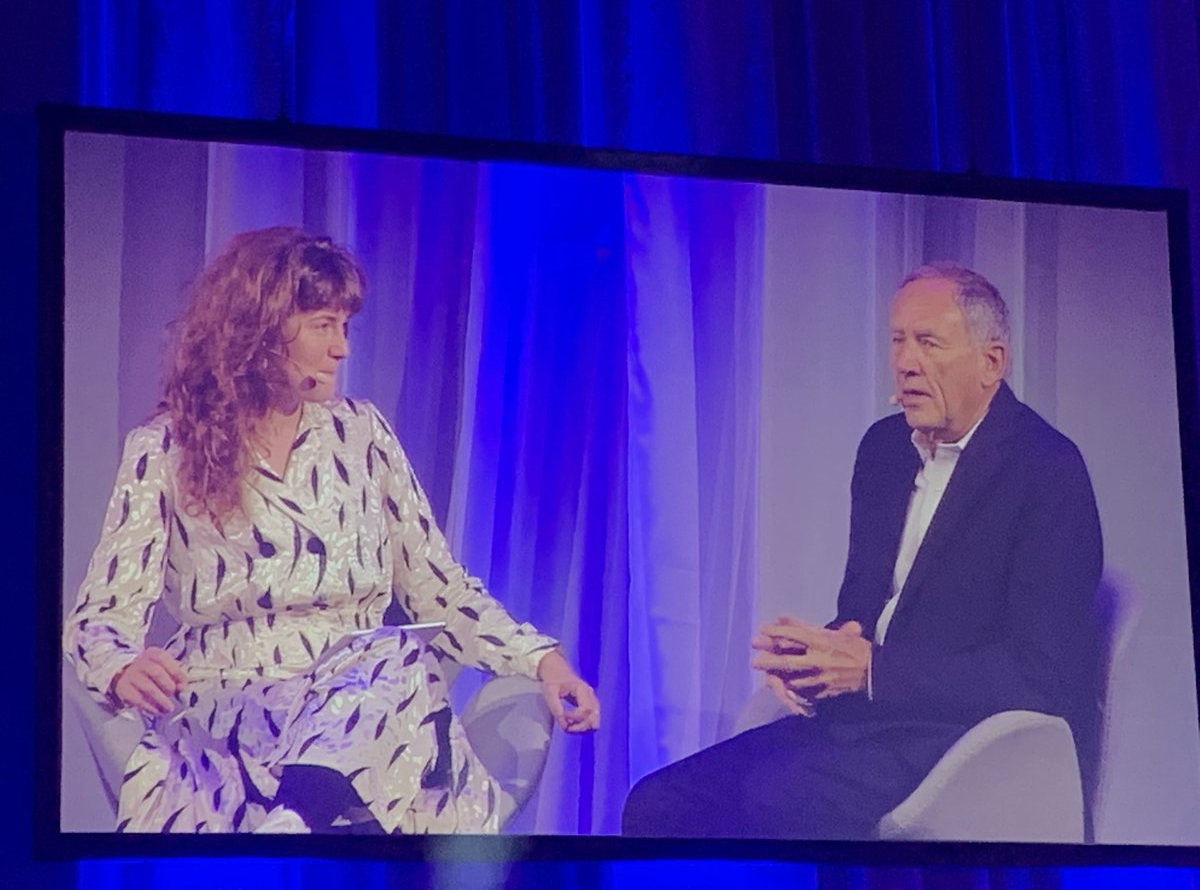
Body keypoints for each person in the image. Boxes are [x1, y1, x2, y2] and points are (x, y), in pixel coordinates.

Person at [64, 226, 600, 835]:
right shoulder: (165, 448)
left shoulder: (362, 435)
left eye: (345, 327)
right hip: (234, 702)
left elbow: (439, 589)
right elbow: (100, 615)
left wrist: (544, 660)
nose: (341, 348)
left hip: (366, 693)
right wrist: (121, 667)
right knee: (389, 676)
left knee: (396, 656)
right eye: (323, 325)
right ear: (259, 328)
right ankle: (298, 818)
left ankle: (298, 819)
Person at [621, 262, 1102, 839]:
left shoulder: (1047, 471)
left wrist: (872, 670)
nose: (906, 362)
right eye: (898, 340)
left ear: (991, 363)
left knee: (778, 803)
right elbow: (863, 611)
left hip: (956, 737)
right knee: (658, 803)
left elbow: (1037, 676)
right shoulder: (884, 450)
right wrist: (816, 658)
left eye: (928, 343)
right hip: (859, 724)